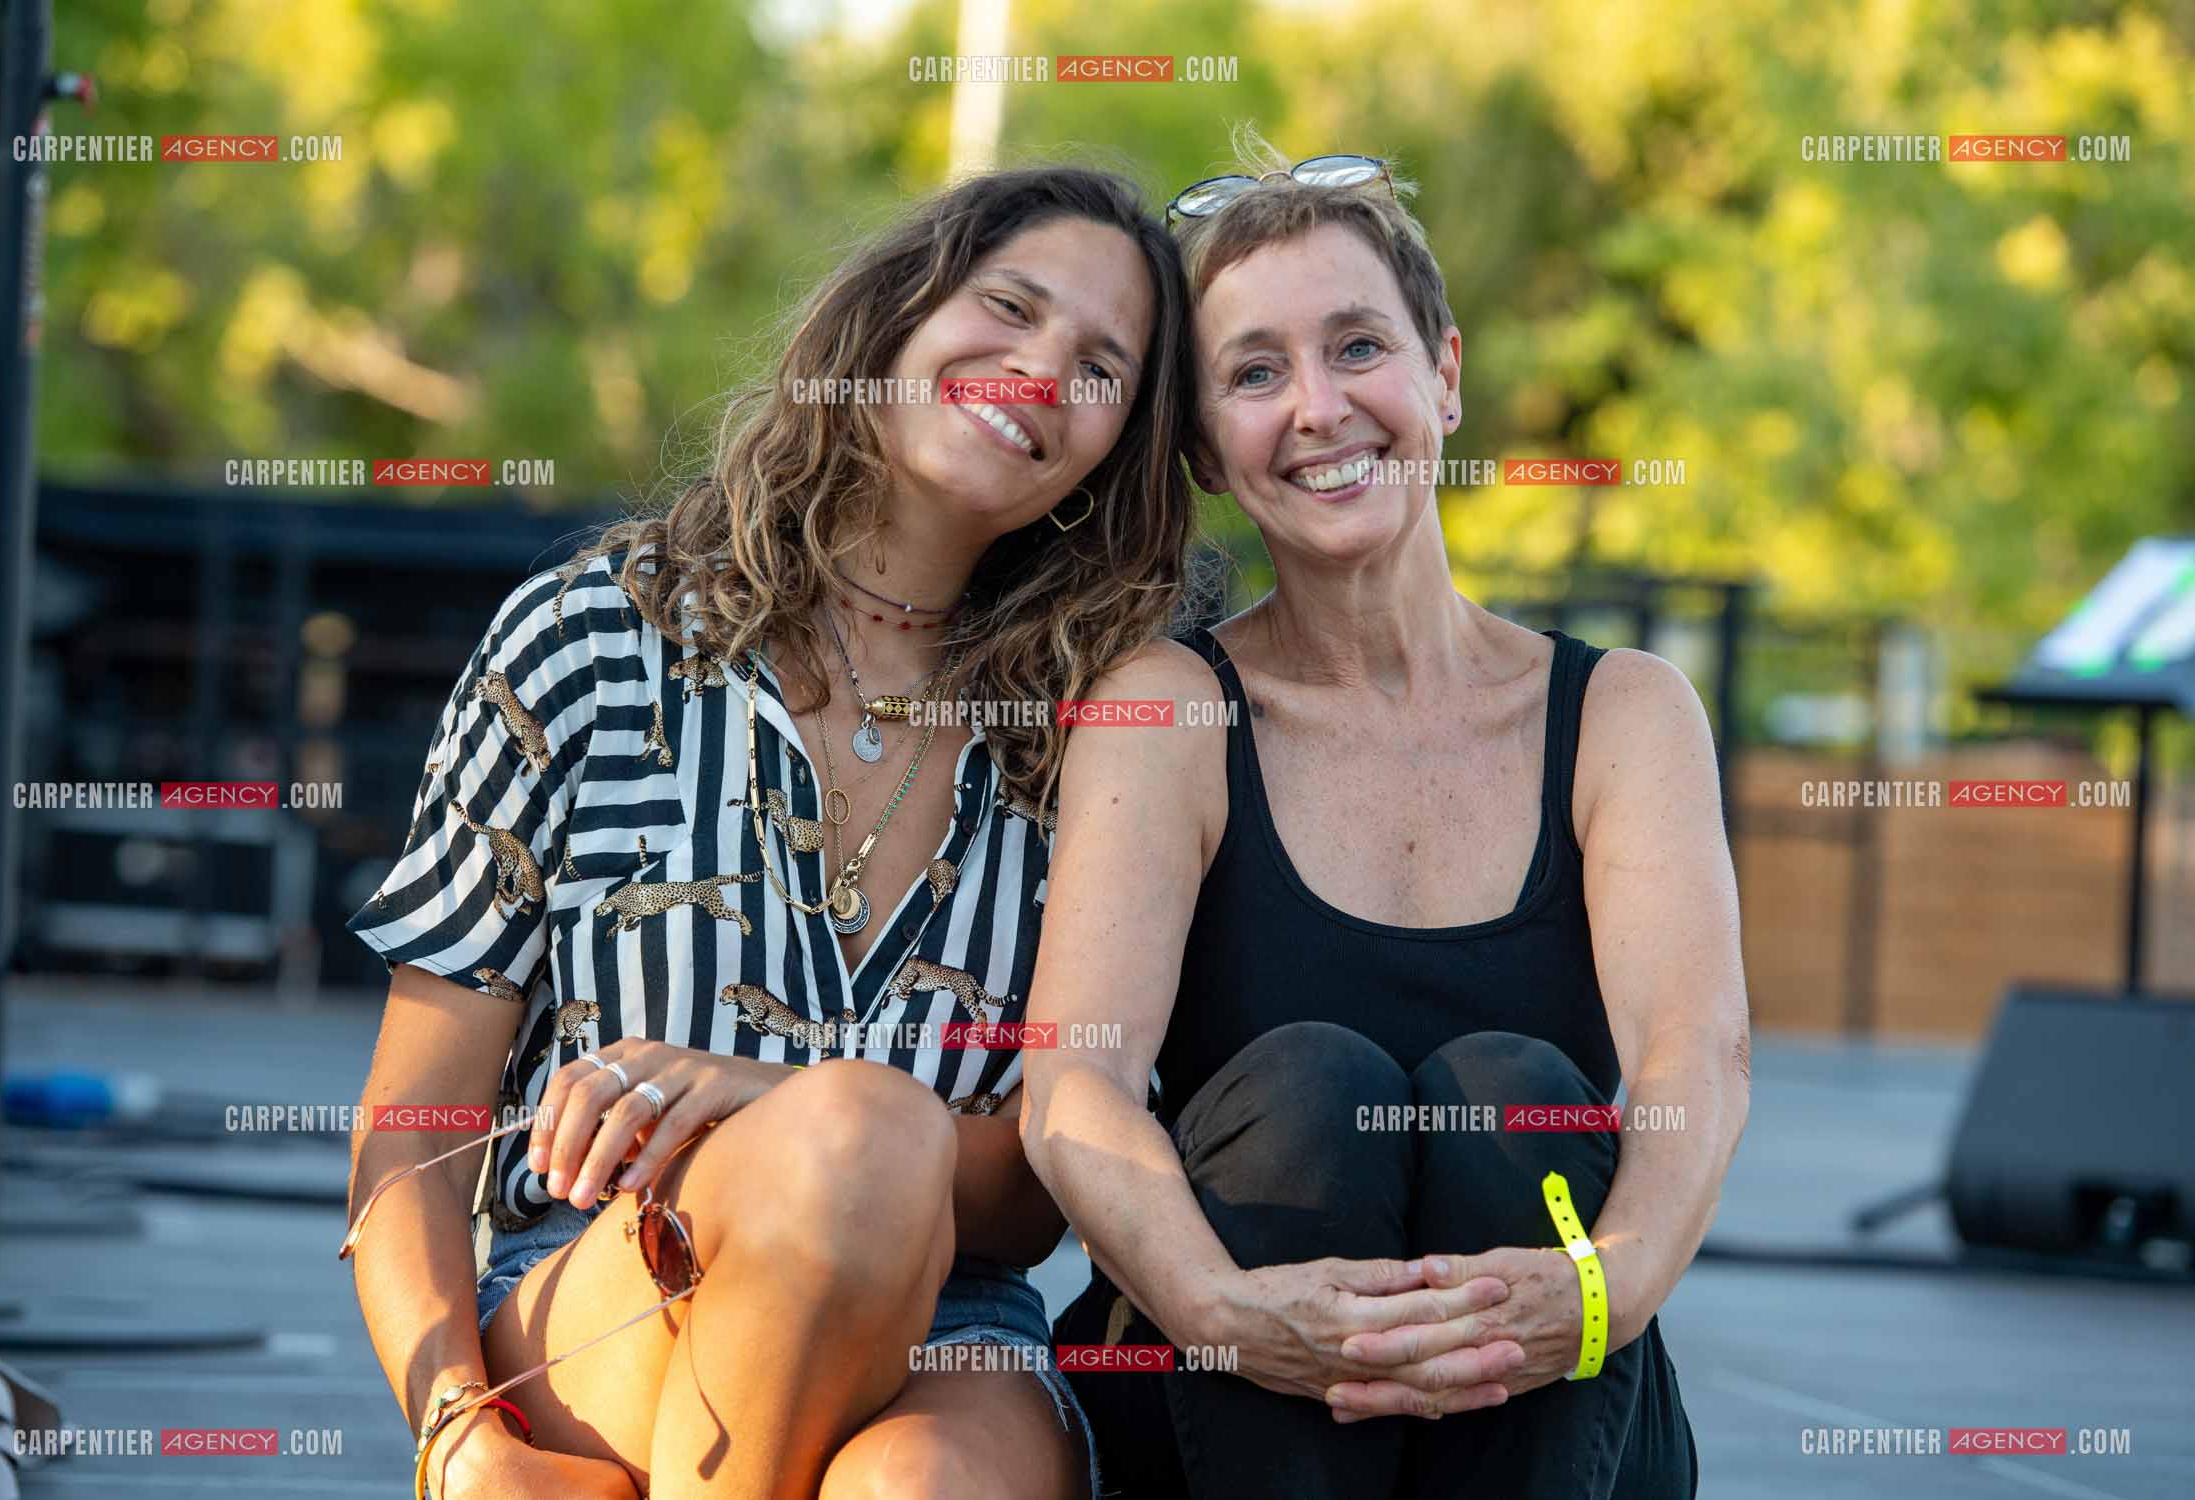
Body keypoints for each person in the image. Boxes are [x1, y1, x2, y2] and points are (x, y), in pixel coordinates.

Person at [341, 163, 1195, 1500]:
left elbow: (1046, 1182)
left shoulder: (1101, 732)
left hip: (954, 1334)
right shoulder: (589, 640)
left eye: (1100, 368)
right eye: (1009, 306)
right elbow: (414, 1124)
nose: (1037, 370)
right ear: (895, 319)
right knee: (856, 1138)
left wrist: (813, 1117)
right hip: (597, 1294)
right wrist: (458, 1440)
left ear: (1115, 451)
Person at [1019, 133, 1750, 1498]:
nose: (1315, 407)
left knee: (1511, 1100)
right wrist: (1227, 1317)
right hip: (1217, 1378)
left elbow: (1689, 1061)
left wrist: (1606, 1293)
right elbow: (1073, 1086)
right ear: (1206, 451)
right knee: (1315, 1092)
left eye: (1356, 346)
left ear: (1444, 377)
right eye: (1253, 373)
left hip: (1548, 1401)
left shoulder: (1625, 714)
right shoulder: (1165, 708)